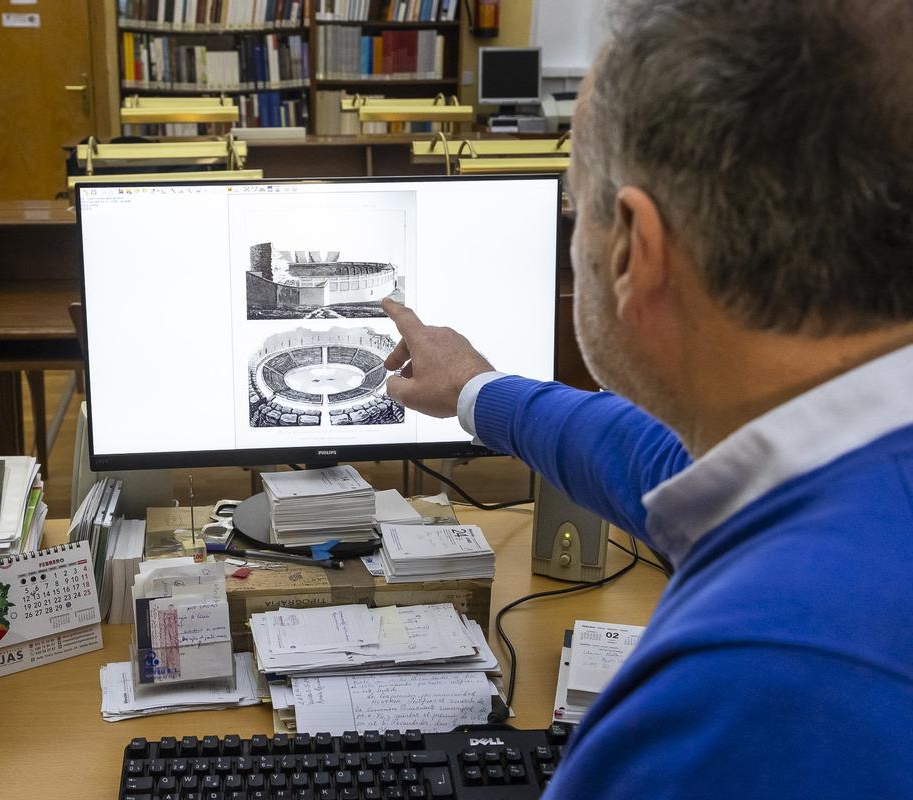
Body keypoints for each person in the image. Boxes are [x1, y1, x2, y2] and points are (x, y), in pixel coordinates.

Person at [382, 0, 913, 796]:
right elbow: (652, 461)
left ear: (633, 247)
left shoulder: (750, 687)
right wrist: (475, 392)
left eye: (573, 205)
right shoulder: (843, 454)